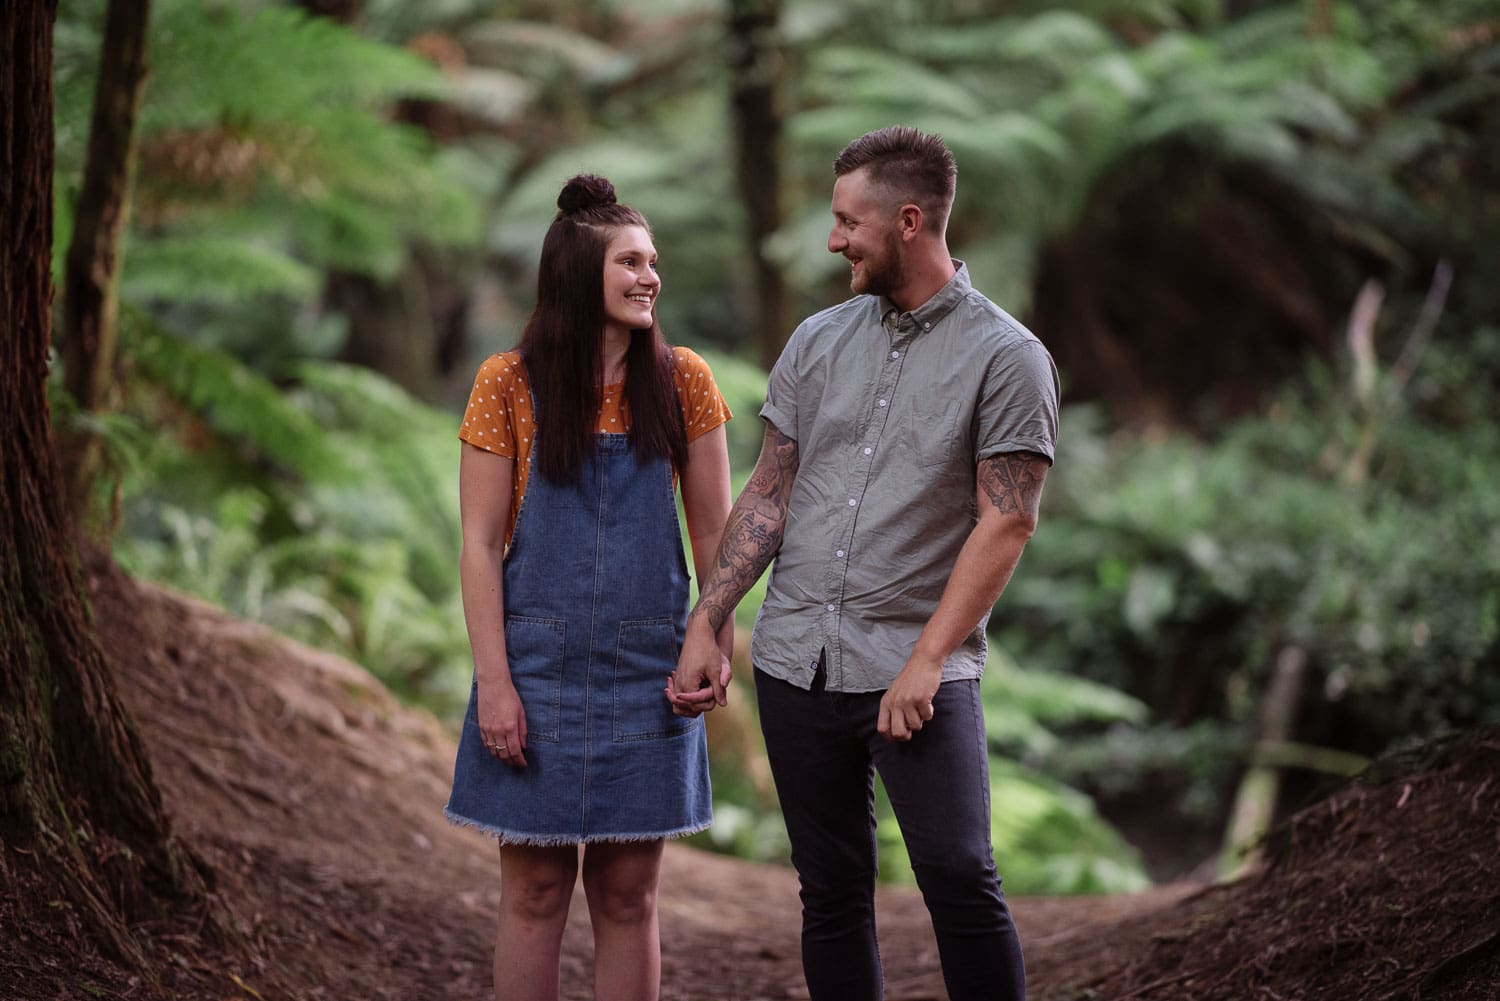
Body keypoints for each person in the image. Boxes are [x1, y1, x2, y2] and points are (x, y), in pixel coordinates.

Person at [670, 126, 1059, 1001]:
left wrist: (926, 662)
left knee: (960, 877)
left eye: (849, 221)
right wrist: (710, 619)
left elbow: (1007, 523)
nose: (834, 239)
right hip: (795, 659)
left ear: (910, 222)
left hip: (917, 673)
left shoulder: (1009, 358)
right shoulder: (816, 340)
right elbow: (769, 493)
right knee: (832, 892)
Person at [446, 174, 733, 1001]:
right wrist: (495, 683)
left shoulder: (685, 382)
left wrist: (711, 634)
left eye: (653, 262)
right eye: (632, 262)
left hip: (652, 674)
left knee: (629, 896)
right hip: (534, 669)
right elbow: (478, 542)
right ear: (581, 275)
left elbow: (714, 530)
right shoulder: (507, 382)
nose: (652, 278)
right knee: (534, 894)